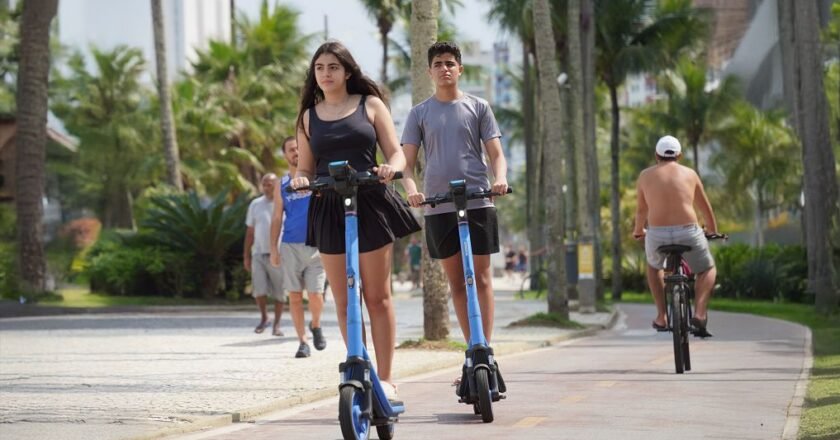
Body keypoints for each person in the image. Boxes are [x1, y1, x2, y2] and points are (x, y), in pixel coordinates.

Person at [290, 41, 421, 399]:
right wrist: (301, 179)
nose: (326, 73)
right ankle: (357, 365)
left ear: (347, 71)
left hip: (371, 202)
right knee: (346, 299)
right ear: (314, 74)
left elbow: (396, 154)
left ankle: (387, 377)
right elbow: (304, 166)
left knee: (377, 297)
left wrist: (389, 169)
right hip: (329, 207)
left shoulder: (370, 105)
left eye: (333, 66)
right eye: (320, 68)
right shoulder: (307, 117)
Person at [401, 41, 509, 347]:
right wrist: (412, 191)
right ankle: (471, 349)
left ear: (459, 69)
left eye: (450, 63)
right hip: (438, 206)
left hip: (478, 199)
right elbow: (407, 166)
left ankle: (485, 349)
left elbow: (497, 155)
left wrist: (499, 179)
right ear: (429, 72)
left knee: (483, 278)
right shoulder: (419, 113)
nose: (444, 69)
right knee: (457, 282)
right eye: (438, 64)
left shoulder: (478, 107)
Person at [632, 135, 719, 336]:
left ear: (656, 155)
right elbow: (705, 208)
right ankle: (699, 312)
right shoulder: (690, 174)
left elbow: (641, 211)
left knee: (654, 268)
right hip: (689, 231)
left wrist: (638, 231)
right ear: (679, 155)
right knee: (707, 269)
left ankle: (662, 316)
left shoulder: (645, 176)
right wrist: (712, 230)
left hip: (657, 234)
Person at [270, 136, 328, 359]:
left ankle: (316, 324)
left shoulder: (317, 178)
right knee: (294, 296)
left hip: (317, 245)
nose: (296, 152)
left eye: (299, 148)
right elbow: (277, 218)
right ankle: (302, 341)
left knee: (315, 294)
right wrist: (273, 249)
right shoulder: (282, 184)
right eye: (291, 150)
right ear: (285, 155)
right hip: (290, 245)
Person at [244, 173, 285, 336]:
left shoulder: (282, 203)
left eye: (270, 184)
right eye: (264, 184)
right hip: (258, 254)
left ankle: (277, 324)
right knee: (259, 290)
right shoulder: (255, 204)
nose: (267, 187)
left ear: (277, 186)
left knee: (280, 292)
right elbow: (249, 231)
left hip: (278, 255)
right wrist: (246, 255)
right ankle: (264, 318)